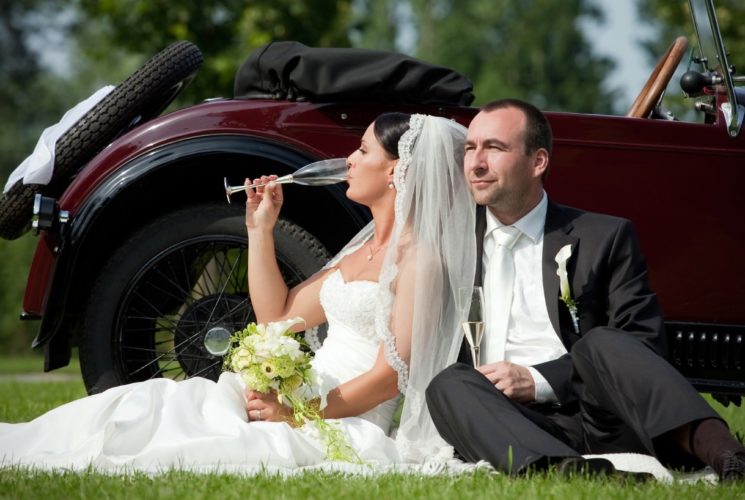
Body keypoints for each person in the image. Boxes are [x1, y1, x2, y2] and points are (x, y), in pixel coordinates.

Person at [0, 113, 476, 472]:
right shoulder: (361, 252)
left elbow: (391, 376)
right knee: (161, 402)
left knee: (204, 442)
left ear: (397, 172)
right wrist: (261, 230)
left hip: (341, 418)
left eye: (363, 151)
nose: (348, 160)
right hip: (295, 400)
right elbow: (279, 315)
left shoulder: (422, 259)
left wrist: (296, 414)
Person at [425, 98, 745, 481]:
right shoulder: (449, 244)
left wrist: (540, 381)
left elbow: (642, 343)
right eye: (470, 149)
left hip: (601, 416)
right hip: (509, 423)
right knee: (448, 383)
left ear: (538, 162)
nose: (476, 163)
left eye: (494, 148)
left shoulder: (603, 236)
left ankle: (729, 456)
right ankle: (576, 475)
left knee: (601, 343)